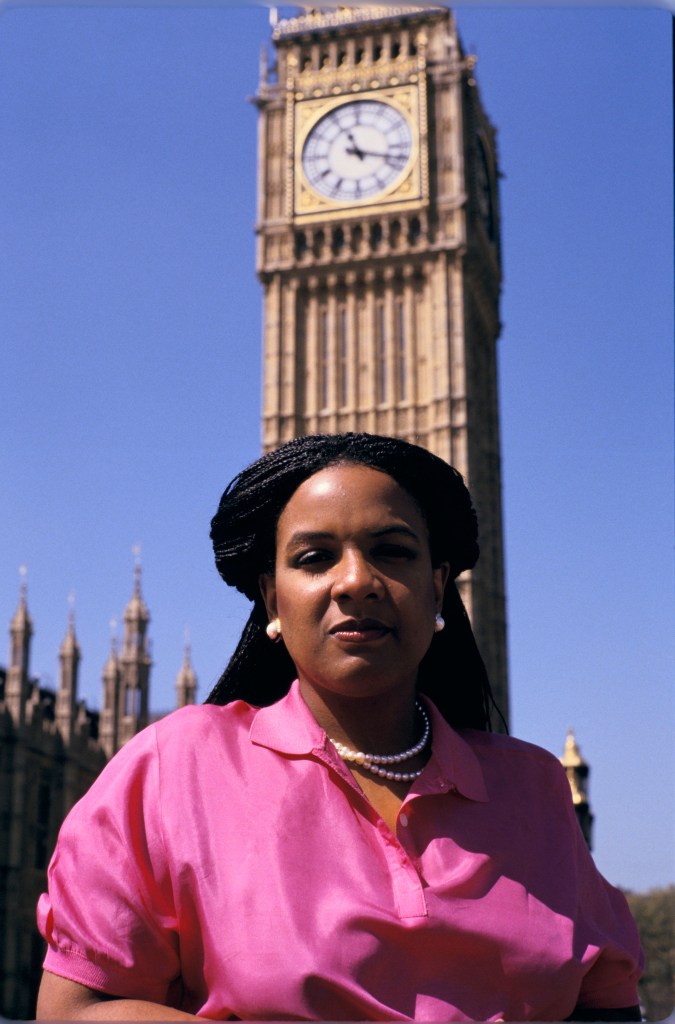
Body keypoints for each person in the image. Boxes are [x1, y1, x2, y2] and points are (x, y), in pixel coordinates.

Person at [36, 433, 643, 1022]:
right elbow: (76, 1009)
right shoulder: (178, 766)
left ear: (437, 588)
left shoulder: (532, 786)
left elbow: (608, 1003)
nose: (356, 581)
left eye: (392, 551)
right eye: (315, 558)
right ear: (272, 599)